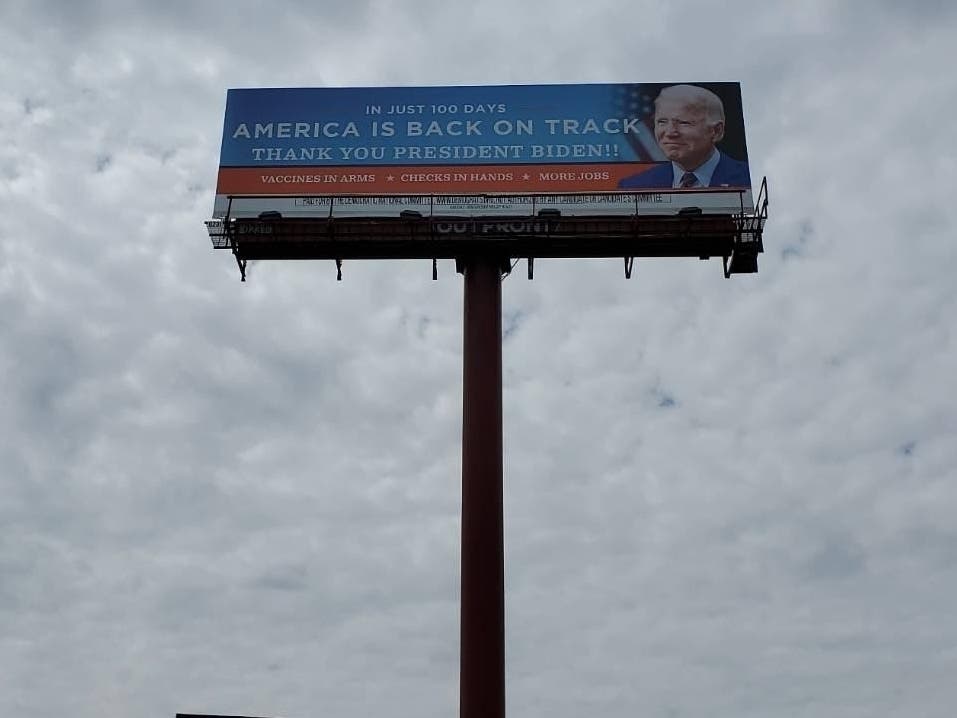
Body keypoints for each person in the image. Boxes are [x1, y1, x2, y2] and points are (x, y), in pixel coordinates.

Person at [618, 84, 750, 189]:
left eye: (683, 122)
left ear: (716, 131)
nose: (670, 132)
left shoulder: (743, 179)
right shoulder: (634, 186)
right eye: (662, 122)